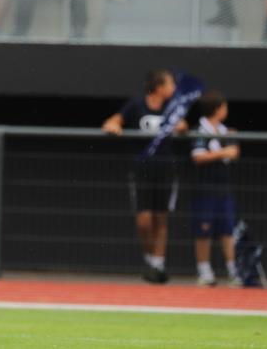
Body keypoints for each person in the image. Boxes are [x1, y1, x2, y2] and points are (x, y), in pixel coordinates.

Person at [101, 69, 189, 284]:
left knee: (161, 217)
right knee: (144, 220)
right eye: (170, 84)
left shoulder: (172, 107)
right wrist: (113, 126)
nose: (174, 89)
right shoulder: (137, 105)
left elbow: (183, 125)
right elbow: (113, 121)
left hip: (165, 168)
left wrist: (181, 126)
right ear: (159, 87)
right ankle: (149, 257)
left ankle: (158, 263)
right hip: (142, 169)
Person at [191, 90, 240, 287]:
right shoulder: (200, 131)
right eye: (224, 107)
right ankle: (204, 271)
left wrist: (225, 150)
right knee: (204, 231)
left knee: (227, 230)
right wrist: (222, 152)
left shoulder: (225, 131)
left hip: (223, 187)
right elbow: (198, 156)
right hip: (204, 189)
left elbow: (234, 152)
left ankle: (232, 270)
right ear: (217, 109)